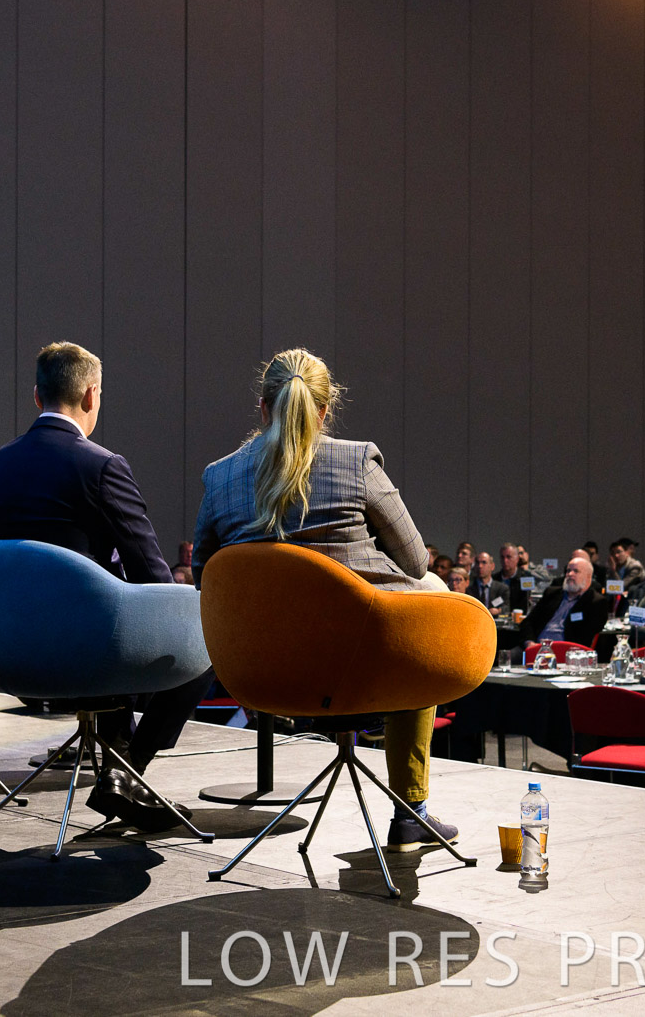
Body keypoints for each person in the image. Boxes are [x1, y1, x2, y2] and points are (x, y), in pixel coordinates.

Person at [193, 347, 457, 851]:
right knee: (430, 601)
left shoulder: (220, 477)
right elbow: (414, 561)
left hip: (265, 673)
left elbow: (208, 574)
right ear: (325, 409)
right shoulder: (357, 461)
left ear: (262, 407)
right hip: (363, 666)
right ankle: (411, 810)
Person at [0, 342, 207, 832]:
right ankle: (126, 773)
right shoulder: (101, 466)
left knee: (108, 609)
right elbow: (152, 575)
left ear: (37, 397)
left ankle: (119, 764)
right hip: (85, 651)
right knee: (202, 635)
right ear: (90, 395)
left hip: (8, 651)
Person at [518, 556, 608, 649]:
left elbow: (586, 637)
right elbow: (528, 621)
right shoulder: (552, 593)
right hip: (535, 646)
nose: (570, 574)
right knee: (510, 655)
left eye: (576, 571)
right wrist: (529, 642)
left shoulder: (596, 602)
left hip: (566, 650)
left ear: (588, 576)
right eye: (568, 570)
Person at [465, 549, 509, 616]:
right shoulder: (469, 588)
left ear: (492, 566)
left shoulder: (502, 588)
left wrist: (498, 611)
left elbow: (507, 608)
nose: (480, 566)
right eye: (477, 563)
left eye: (484, 562)